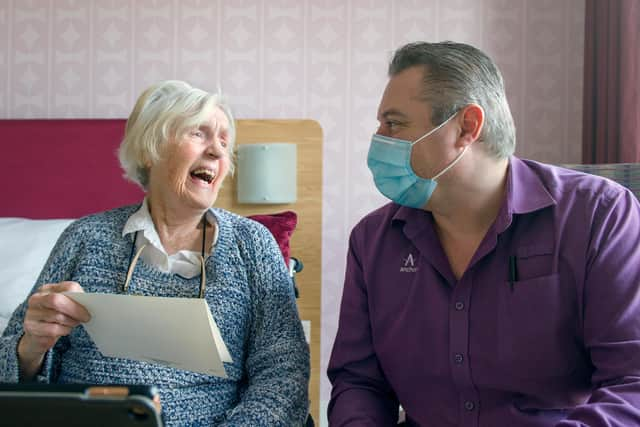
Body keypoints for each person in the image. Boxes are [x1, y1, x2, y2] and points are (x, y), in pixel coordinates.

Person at [327, 41, 640, 426]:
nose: (379, 140)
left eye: (394, 123)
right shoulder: (372, 242)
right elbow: (359, 383)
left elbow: (632, 382)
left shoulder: (600, 215)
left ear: (466, 128)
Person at [0, 80, 310, 426]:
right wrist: (31, 347)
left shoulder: (251, 244)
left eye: (224, 141)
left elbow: (285, 379)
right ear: (151, 148)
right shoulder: (83, 238)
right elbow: (9, 374)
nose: (218, 152)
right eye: (199, 134)